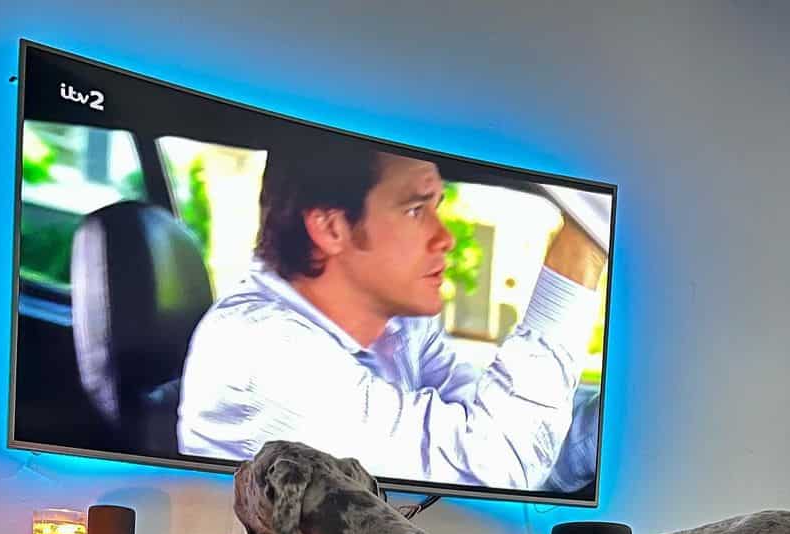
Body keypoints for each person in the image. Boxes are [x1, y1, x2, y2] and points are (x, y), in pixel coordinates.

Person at [176, 130, 608, 491]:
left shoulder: (400, 328)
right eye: (416, 209)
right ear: (331, 227)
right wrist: (578, 252)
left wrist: (613, 431)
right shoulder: (260, 349)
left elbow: (527, 444)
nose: (445, 238)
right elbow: (494, 468)